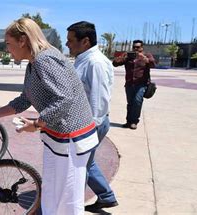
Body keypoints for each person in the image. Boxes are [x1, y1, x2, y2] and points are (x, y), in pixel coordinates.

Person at [0, 18, 98, 215]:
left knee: (68, 198)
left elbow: (65, 98)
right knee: (52, 191)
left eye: (8, 44)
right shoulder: (33, 63)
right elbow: (25, 98)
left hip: (71, 138)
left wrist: (36, 124)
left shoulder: (46, 59)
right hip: (57, 137)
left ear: (23, 40)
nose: (7, 49)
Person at [66, 21, 118, 211]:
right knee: (87, 162)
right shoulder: (83, 58)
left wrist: (88, 131)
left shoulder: (95, 63)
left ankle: (73, 208)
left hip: (90, 125)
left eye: (71, 41)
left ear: (85, 41)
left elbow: (98, 101)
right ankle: (106, 196)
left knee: (78, 168)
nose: (67, 44)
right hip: (85, 123)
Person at [113, 40, 156, 129]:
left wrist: (145, 59)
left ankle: (134, 121)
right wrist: (123, 57)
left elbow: (153, 64)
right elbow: (115, 64)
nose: (136, 49)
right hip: (129, 83)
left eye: (138, 47)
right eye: (134, 47)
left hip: (141, 84)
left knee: (137, 101)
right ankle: (128, 121)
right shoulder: (128, 56)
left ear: (142, 48)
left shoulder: (147, 55)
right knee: (130, 103)